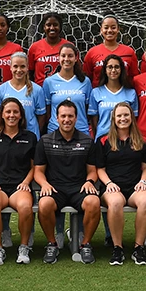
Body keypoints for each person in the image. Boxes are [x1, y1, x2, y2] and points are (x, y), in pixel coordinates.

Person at [34, 100, 100, 264]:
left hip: (79, 188)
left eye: (70, 116)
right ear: (56, 118)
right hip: (55, 189)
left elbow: (92, 170)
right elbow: (38, 171)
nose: (67, 120)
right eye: (63, 116)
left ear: (76, 118)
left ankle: (85, 245)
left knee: (93, 202)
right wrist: (44, 184)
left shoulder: (87, 141)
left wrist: (89, 181)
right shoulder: (45, 141)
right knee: (44, 204)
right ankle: (52, 244)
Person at [95, 102, 146, 266]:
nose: (123, 118)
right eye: (119, 115)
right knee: (115, 202)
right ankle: (117, 248)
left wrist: (143, 181)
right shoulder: (104, 140)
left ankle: (139, 248)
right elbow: (100, 169)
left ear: (132, 117)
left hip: (135, 187)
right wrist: (109, 183)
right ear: (113, 118)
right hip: (112, 187)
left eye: (126, 115)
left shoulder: (141, 140)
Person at [0, 98, 37, 265]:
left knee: (25, 207)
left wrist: (26, 182)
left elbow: (35, 166)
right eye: (8, 112)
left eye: (15, 112)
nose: (11, 115)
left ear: (21, 115)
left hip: (19, 188)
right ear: (2, 114)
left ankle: (24, 247)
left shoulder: (30, 137)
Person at [0, 51, 46, 139]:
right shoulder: (1, 90)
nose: (19, 70)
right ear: (10, 67)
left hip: (30, 136)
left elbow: (41, 117)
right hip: (9, 138)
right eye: (15, 66)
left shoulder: (37, 90)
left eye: (22, 66)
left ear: (27, 67)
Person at [43, 43, 92, 135]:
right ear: (58, 58)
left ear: (76, 58)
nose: (66, 59)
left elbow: (87, 109)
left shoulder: (85, 82)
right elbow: (47, 111)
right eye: (63, 56)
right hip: (55, 131)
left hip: (80, 131)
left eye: (70, 56)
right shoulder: (49, 82)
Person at [87, 54, 138, 140]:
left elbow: (134, 120)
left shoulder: (131, 93)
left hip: (124, 139)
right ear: (105, 70)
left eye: (117, 67)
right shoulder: (96, 92)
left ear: (121, 69)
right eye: (110, 67)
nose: (113, 70)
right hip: (103, 138)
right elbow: (94, 121)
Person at [82, 14, 139, 85]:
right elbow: (86, 78)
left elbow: (134, 78)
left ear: (118, 29)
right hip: (98, 91)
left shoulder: (129, 52)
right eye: (106, 28)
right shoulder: (92, 52)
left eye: (113, 27)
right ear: (101, 30)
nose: (109, 30)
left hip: (123, 91)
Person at [28, 12, 71, 85]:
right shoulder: (35, 47)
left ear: (60, 27)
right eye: (48, 25)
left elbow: (76, 70)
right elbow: (29, 72)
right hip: (41, 89)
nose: (52, 28)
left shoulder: (69, 46)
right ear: (44, 27)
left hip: (63, 89)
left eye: (55, 25)